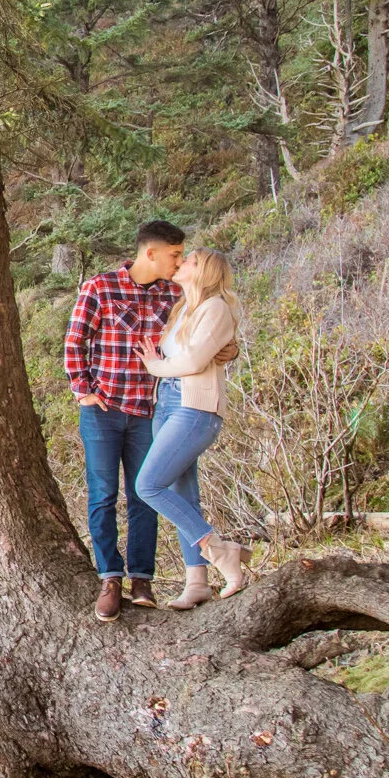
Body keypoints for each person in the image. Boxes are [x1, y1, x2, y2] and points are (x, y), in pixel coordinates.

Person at [63, 220, 234, 622]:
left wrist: (229, 350)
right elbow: (75, 340)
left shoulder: (175, 294)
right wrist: (82, 388)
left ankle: (142, 579)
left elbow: (206, 333)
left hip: (150, 410)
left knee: (145, 495)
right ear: (150, 253)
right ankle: (110, 578)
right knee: (103, 494)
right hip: (102, 410)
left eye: (182, 256)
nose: (178, 262)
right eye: (175, 254)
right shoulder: (100, 287)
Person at [134, 246, 254, 608]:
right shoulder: (182, 308)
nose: (182, 263)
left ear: (204, 271)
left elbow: (193, 360)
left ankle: (222, 552)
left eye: (190, 260)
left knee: (148, 485)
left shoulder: (216, 307)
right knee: (183, 494)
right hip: (167, 403)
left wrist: (156, 366)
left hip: (195, 407)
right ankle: (197, 582)